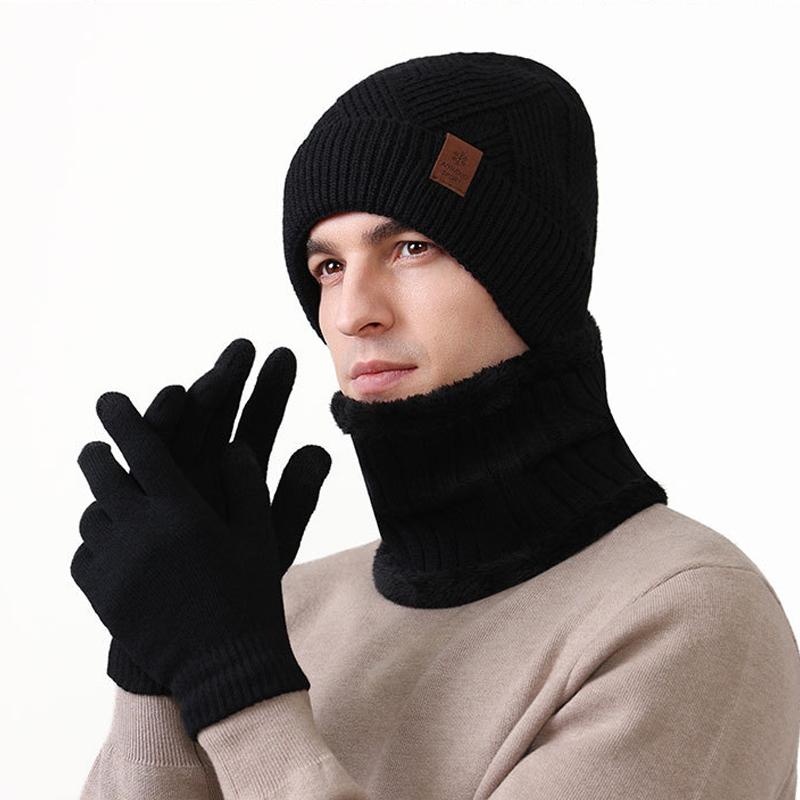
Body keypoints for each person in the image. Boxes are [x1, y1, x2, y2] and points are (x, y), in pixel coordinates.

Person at [73, 51, 800, 799]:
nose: (353, 313)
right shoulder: (286, 610)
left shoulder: (685, 614)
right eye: (328, 268)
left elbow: (246, 704)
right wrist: (156, 665)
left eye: (411, 248)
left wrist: (236, 690)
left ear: (532, 278)